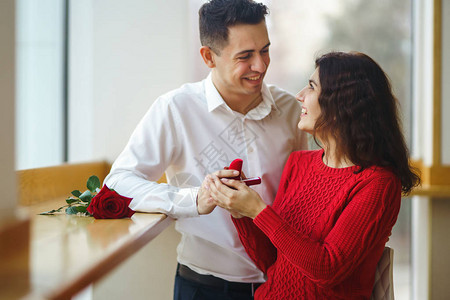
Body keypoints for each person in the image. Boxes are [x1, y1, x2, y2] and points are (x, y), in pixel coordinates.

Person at [103, 0, 308, 299]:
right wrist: (194, 199)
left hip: (286, 284)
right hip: (204, 288)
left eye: (265, 50)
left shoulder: (291, 110)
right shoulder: (176, 109)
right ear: (208, 57)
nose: (261, 65)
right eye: (245, 56)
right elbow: (118, 182)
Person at [206, 51, 421, 299]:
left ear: (343, 102)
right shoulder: (299, 163)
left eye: (311, 87)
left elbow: (327, 268)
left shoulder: (378, 183)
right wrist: (241, 212)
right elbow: (270, 260)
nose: (299, 96)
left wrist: (258, 211)